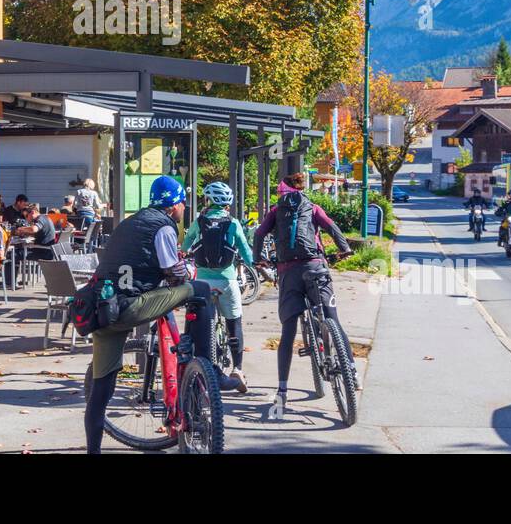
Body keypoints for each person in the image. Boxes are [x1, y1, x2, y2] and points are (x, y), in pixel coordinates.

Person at [83, 175, 215, 454]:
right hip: (133, 306)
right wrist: (190, 270)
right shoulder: (163, 227)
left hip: (104, 310)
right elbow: (175, 273)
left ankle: (92, 451)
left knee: (101, 391)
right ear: (173, 205)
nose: (183, 209)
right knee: (199, 289)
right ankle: (207, 368)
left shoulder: (128, 223)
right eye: (182, 203)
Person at [253, 172, 352, 418]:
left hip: (289, 273)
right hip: (316, 266)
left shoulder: (276, 211)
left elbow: (258, 235)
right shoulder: (313, 207)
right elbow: (331, 227)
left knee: (288, 332)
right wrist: (345, 249)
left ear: (283, 190)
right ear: (303, 188)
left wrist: (259, 260)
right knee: (333, 320)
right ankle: (351, 371)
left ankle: (283, 390)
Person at [181, 181, 253, 393]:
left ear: (208, 200)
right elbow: (246, 253)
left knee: (196, 322)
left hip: (202, 282)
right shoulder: (233, 223)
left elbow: (186, 246)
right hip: (227, 281)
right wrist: (256, 264)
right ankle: (237, 369)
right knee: (234, 322)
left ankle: (193, 368)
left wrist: (184, 251)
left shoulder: (199, 221)